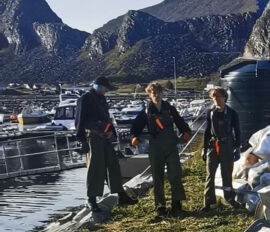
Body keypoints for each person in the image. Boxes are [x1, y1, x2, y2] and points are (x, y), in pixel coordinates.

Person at [75, 76, 137, 212]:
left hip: (105, 137)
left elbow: (106, 118)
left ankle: (121, 195)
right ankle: (91, 200)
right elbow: (80, 121)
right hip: (93, 137)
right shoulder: (84, 98)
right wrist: (82, 140)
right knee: (96, 168)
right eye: (105, 88)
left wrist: (111, 133)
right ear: (98, 86)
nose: (106, 91)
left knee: (113, 164)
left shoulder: (101, 98)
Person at [129, 82, 191, 216]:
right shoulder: (146, 111)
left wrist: (185, 131)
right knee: (157, 176)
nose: (155, 95)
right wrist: (134, 137)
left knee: (175, 174)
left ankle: (177, 204)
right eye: (153, 93)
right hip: (155, 146)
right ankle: (160, 206)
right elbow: (136, 127)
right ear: (149, 95)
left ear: (162, 93)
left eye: (158, 92)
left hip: (171, 145)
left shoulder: (170, 108)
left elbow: (180, 122)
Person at [201, 87, 241, 210]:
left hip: (227, 146)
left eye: (218, 96)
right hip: (213, 146)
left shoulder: (232, 113)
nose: (216, 99)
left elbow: (237, 131)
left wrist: (237, 148)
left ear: (224, 97)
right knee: (210, 175)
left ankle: (229, 199)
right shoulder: (210, 112)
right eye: (214, 97)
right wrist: (204, 148)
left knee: (227, 174)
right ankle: (208, 203)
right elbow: (207, 131)